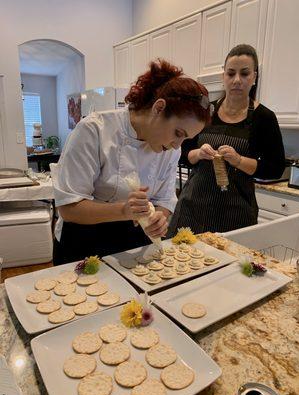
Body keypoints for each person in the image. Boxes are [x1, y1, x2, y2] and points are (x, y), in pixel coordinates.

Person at [52, 59, 211, 265]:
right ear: (158, 108)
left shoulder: (171, 149)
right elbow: (69, 208)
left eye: (185, 139)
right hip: (82, 240)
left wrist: (158, 219)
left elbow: (164, 200)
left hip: (134, 241)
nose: (176, 145)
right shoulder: (95, 130)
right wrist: (124, 211)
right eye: (177, 133)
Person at [167, 44, 285, 236]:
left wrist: (239, 161)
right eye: (231, 74)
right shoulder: (206, 112)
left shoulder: (264, 118)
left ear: (254, 77)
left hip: (235, 214)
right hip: (193, 208)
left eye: (244, 74)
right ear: (224, 76)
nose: (237, 80)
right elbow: (179, 152)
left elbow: (275, 167)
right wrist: (198, 153)